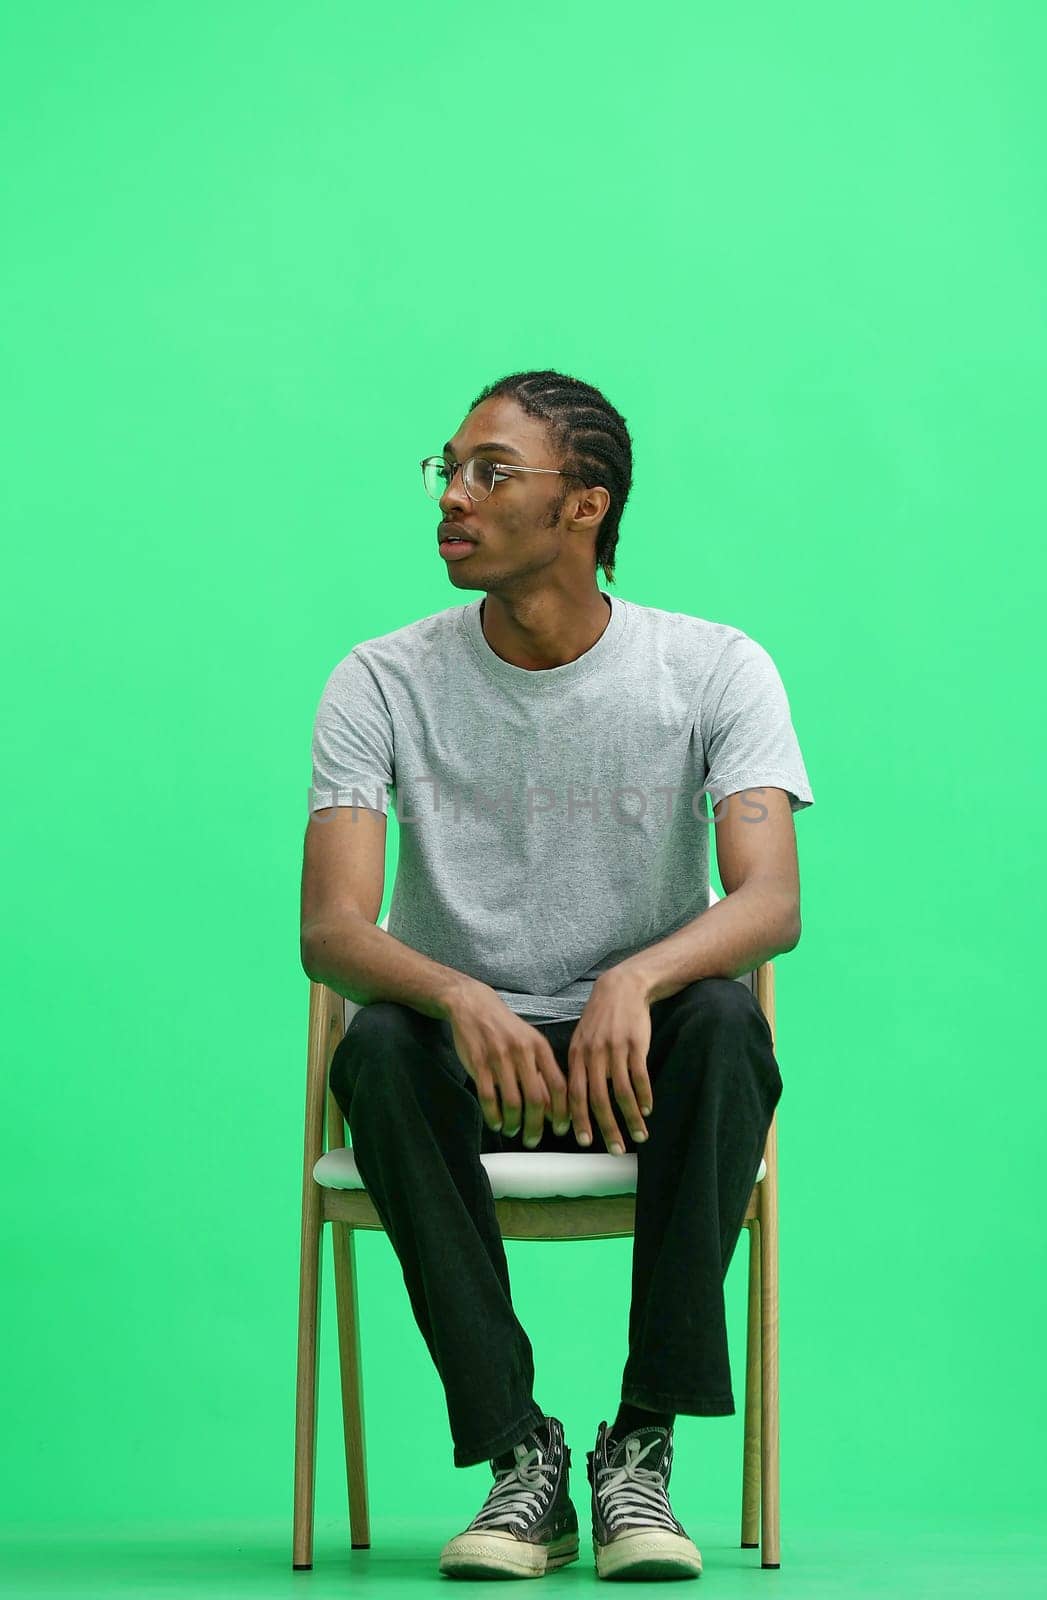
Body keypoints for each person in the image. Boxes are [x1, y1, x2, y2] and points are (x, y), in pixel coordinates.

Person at [300, 368, 814, 1581]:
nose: (452, 498)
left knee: (728, 1028)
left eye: (490, 472)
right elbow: (331, 927)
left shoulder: (713, 668)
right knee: (371, 1044)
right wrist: (460, 995)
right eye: (449, 469)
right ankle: (519, 1455)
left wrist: (631, 984)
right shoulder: (378, 679)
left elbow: (770, 900)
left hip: (633, 1069)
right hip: (464, 1057)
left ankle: (637, 1449)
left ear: (582, 508)